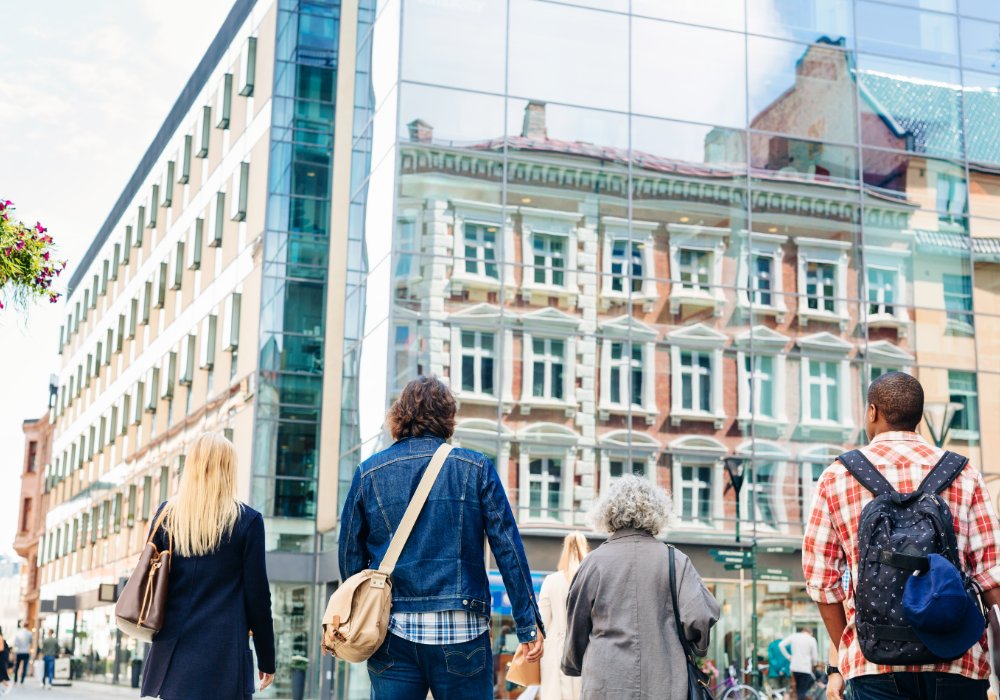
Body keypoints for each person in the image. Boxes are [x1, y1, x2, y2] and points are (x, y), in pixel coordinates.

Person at [339, 375, 544, 699]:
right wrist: (527, 624)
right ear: (448, 418)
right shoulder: (475, 467)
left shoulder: (369, 472)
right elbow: (508, 546)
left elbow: (350, 555)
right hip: (462, 631)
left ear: (400, 415)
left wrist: (360, 611)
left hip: (392, 631)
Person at [803, 372, 1000, 700]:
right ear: (918, 417)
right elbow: (992, 575)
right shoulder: (965, 474)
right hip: (957, 662)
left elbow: (822, 582)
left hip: (874, 667)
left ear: (872, 412)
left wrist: (850, 647)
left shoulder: (836, 477)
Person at [140, 432, 275, 700]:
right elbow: (257, 597)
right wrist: (266, 658)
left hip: (171, 654)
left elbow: (151, 578)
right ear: (229, 469)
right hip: (224, 656)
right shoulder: (247, 521)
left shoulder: (167, 515)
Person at [562, 475, 720, 698]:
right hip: (665, 682)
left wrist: (573, 663)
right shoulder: (676, 560)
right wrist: (696, 646)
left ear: (608, 512)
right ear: (656, 512)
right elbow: (700, 616)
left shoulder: (593, 562)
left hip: (606, 684)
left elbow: (576, 623)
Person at [539, 533, 590, 700]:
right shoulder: (591, 580)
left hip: (554, 648)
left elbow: (542, 622)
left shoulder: (551, 580)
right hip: (585, 648)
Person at [779, 627, 818, 700]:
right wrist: (814, 665)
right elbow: (814, 658)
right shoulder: (811, 639)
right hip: (806, 668)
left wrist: (788, 657)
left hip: (794, 667)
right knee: (802, 691)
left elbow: (781, 645)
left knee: (797, 690)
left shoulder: (794, 636)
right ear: (811, 633)